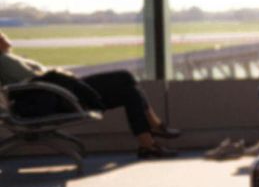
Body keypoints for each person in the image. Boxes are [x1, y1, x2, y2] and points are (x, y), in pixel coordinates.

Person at [0, 31, 181, 159]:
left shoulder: (9, 56)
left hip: (62, 92)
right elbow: (35, 81)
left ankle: (147, 144)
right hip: (61, 95)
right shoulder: (3, 59)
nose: (4, 35)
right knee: (124, 77)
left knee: (130, 92)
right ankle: (155, 127)